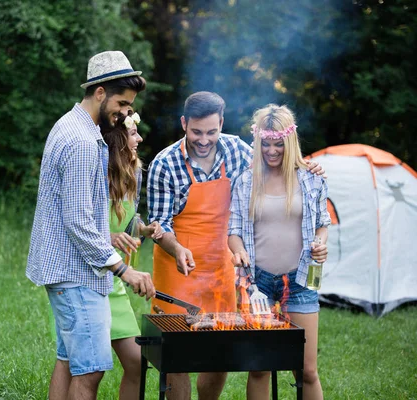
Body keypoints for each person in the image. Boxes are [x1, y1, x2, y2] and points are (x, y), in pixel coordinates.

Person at [146, 92, 324, 400]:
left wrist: (305, 164)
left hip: (221, 267)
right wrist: (176, 249)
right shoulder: (165, 164)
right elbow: (159, 223)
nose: (204, 140)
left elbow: (275, 159)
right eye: (196, 132)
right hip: (179, 268)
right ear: (184, 123)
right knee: (179, 358)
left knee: (219, 352)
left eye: (211, 132)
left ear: (222, 125)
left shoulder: (236, 150)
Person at [26, 50, 156, 400]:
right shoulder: (83, 142)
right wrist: (123, 271)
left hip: (68, 270)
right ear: (100, 92)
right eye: (122, 103)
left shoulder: (70, 125)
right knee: (91, 369)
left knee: (68, 360)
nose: (125, 113)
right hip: (76, 273)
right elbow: (80, 223)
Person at [228, 104, 329, 400]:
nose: (272, 151)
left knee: (306, 370)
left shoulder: (311, 178)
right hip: (258, 284)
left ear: (290, 142)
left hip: (302, 281)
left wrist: (320, 243)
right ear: (257, 143)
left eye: (279, 145)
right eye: (266, 144)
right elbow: (233, 232)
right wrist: (238, 252)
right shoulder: (246, 181)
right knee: (259, 367)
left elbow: (323, 223)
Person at [101, 110, 164, 399]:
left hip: (112, 278)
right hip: (84, 274)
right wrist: (111, 237)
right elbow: (82, 226)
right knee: (86, 367)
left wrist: (144, 228)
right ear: (117, 139)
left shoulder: (135, 170)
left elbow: (127, 224)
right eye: (133, 133)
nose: (139, 138)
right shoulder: (97, 168)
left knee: (137, 362)